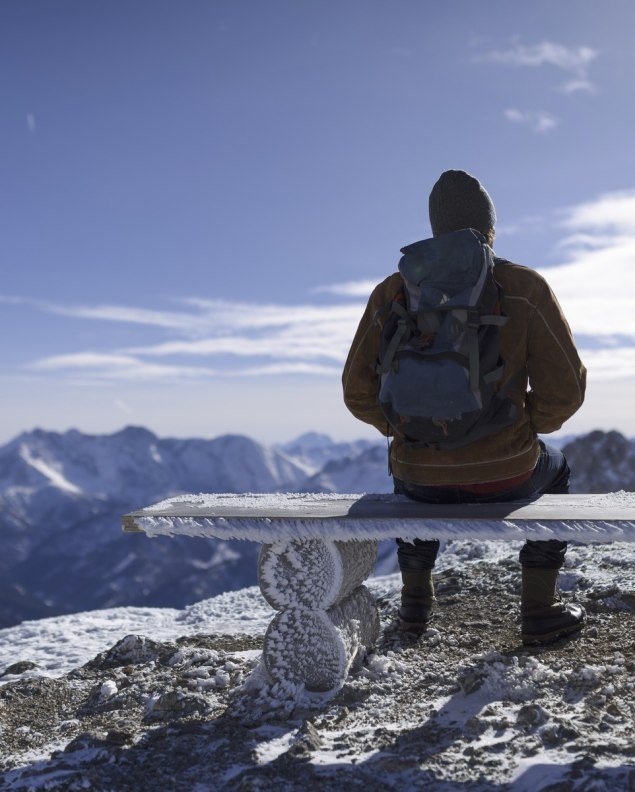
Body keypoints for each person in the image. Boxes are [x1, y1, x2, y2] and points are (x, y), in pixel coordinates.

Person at [342, 169, 587, 646]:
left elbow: (357, 390)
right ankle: (540, 610)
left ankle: (414, 612)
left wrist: (406, 429)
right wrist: (519, 428)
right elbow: (566, 391)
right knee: (557, 472)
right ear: (489, 228)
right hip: (509, 471)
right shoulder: (523, 286)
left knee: (407, 478)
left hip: (419, 476)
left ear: (436, 227)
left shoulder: (393, 291)